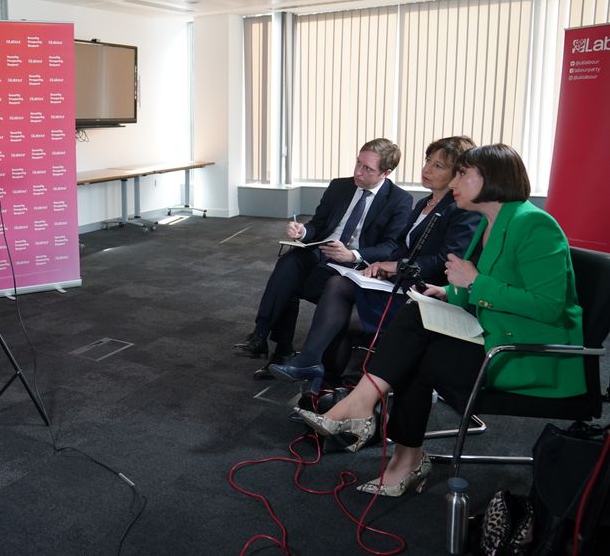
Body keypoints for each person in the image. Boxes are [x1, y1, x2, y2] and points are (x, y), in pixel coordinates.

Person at [297, 144, 585, 497]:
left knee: (417, 356)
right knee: (415, 314)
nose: (454, 182)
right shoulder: (494, 222)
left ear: (490, 180)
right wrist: (451, 293)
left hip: (529, 355)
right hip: (494, 334)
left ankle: (393, 442)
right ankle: (384, 432)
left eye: (463, 174)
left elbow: (548, 307)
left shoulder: (536, 225)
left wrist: (473, 283)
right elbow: (496, 285)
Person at [268, 136, 481, 390]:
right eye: (427, 161)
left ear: (458, 173)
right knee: (337, 283)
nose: (426, 169)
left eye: (438, 166)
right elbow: (402, 246)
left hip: (425, 291)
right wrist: (381, 265)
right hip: (400, 281)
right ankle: (316, 372)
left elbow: (443, 262)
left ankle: (324, 383)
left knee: (342, 306)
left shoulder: (459, 210)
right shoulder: (425, 203)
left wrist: (393, 266)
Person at [234, 138, 413, 376]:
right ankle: (260, 334)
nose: (358, 172)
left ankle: (283, 351)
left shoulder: (399, 199)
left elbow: (391, 246)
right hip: (321, 251)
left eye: (367, 168)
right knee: (288, 263)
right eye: (358, 163)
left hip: (353, 265)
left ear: (386, 172)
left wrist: (353, 254)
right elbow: (318, 224)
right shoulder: (340, 186)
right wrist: (304, 232)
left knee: (292, 285)